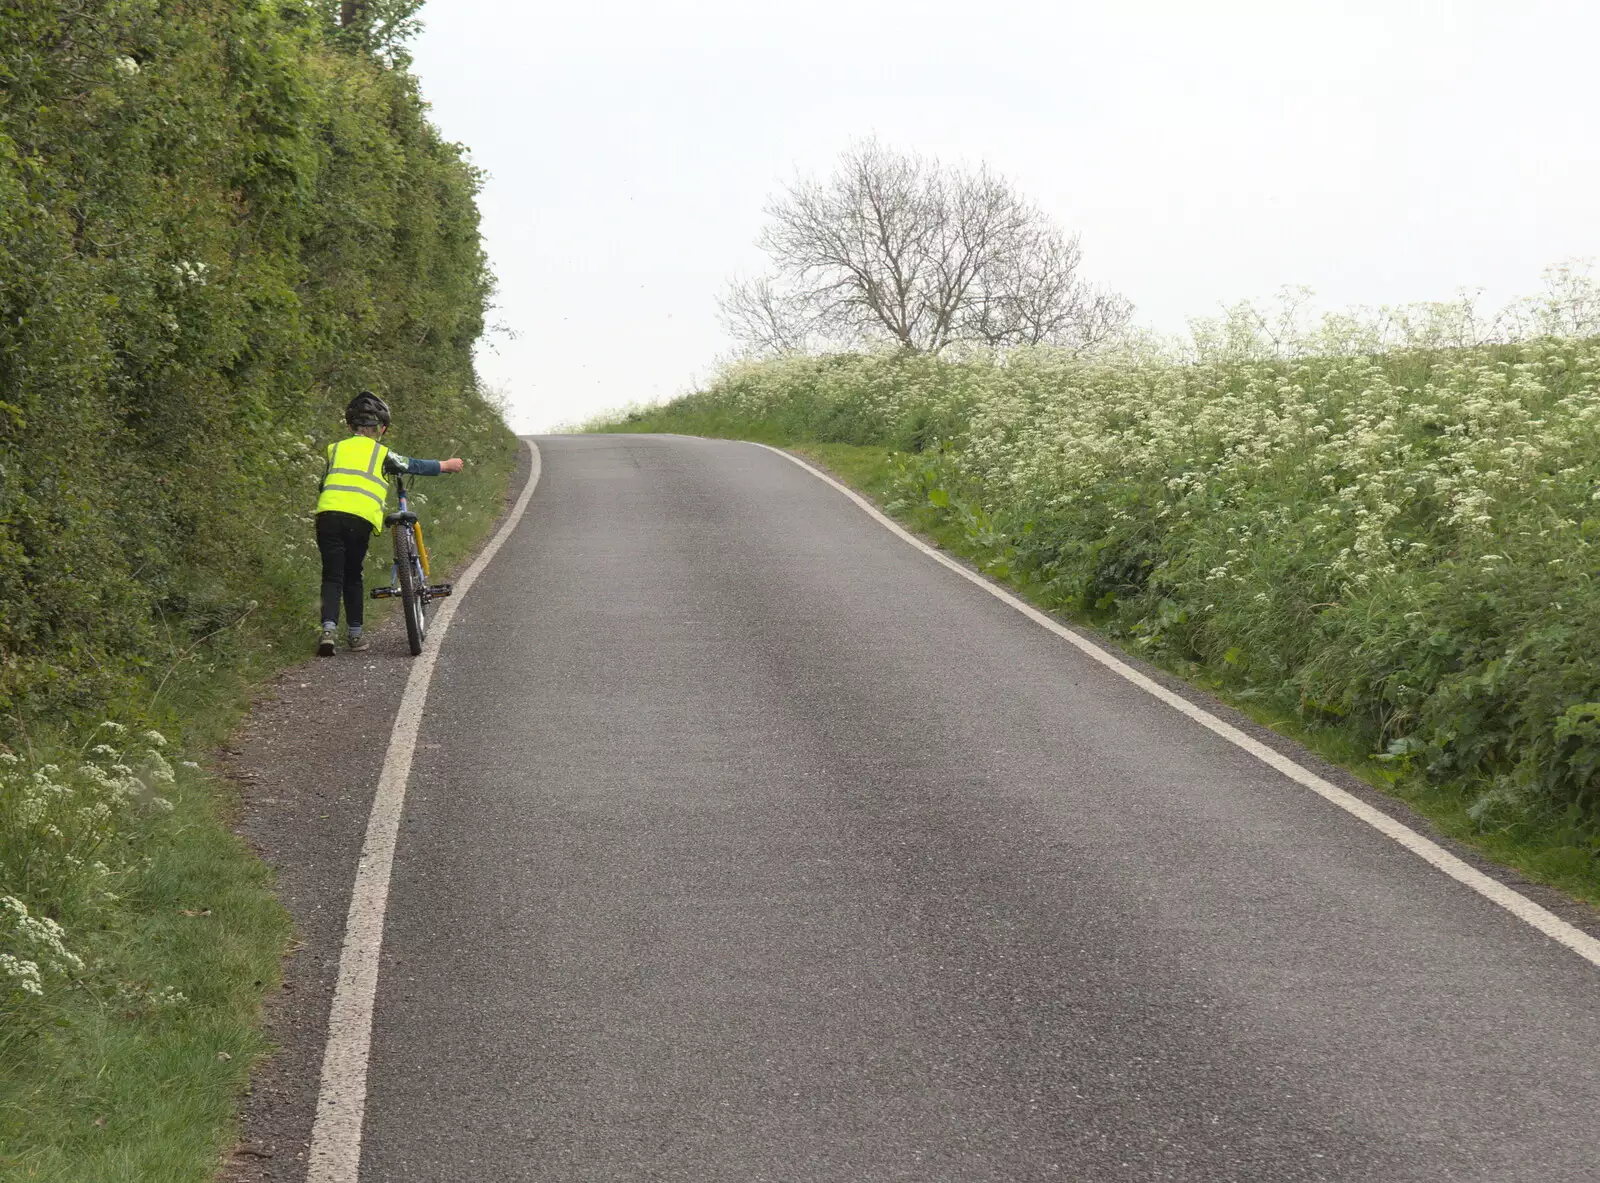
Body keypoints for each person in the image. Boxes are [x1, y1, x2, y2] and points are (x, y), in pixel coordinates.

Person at [314, 391, 463, 656]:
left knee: (332, 574)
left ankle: (328, 632)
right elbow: (411, 464)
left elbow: (323, 483)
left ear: (350, 427)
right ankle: (355, 635)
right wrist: (445, 465)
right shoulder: (381, 452)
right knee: (353, 575)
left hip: (327, 515)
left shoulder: (335, 448)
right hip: (359, 518)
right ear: (381, 429)